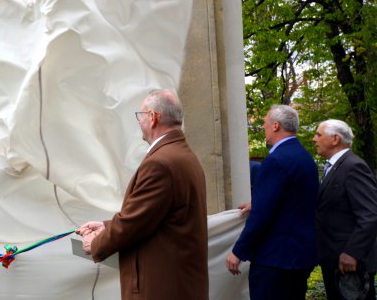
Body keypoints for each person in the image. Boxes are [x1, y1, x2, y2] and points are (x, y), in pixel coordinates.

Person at [77, 89, 208, 299]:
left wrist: (95, 244)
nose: (139, 121)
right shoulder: (183, 155)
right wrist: (106, 226)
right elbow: (152, 216)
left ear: (154, 118)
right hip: (178, 283)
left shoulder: (161, 163)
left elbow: (133, 223)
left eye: (141, 115)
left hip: (161, 286)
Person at [225, 104, 319, 299]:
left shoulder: (276, 160)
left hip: (275, 260)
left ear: (275, 126)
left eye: (265, 123)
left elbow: (262, 216)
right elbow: (296, 200)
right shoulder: (305, 158)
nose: (263, 127)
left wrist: (238, 251)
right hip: (300, 257)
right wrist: (257, 203)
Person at [314, 119, 377, 300]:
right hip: (335, 260)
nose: (314, 139)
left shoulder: (353, 166)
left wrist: (352, 253)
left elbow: (370, 214)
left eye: (319, 134)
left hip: (350, 264)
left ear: (335, 139)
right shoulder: (335, 167)